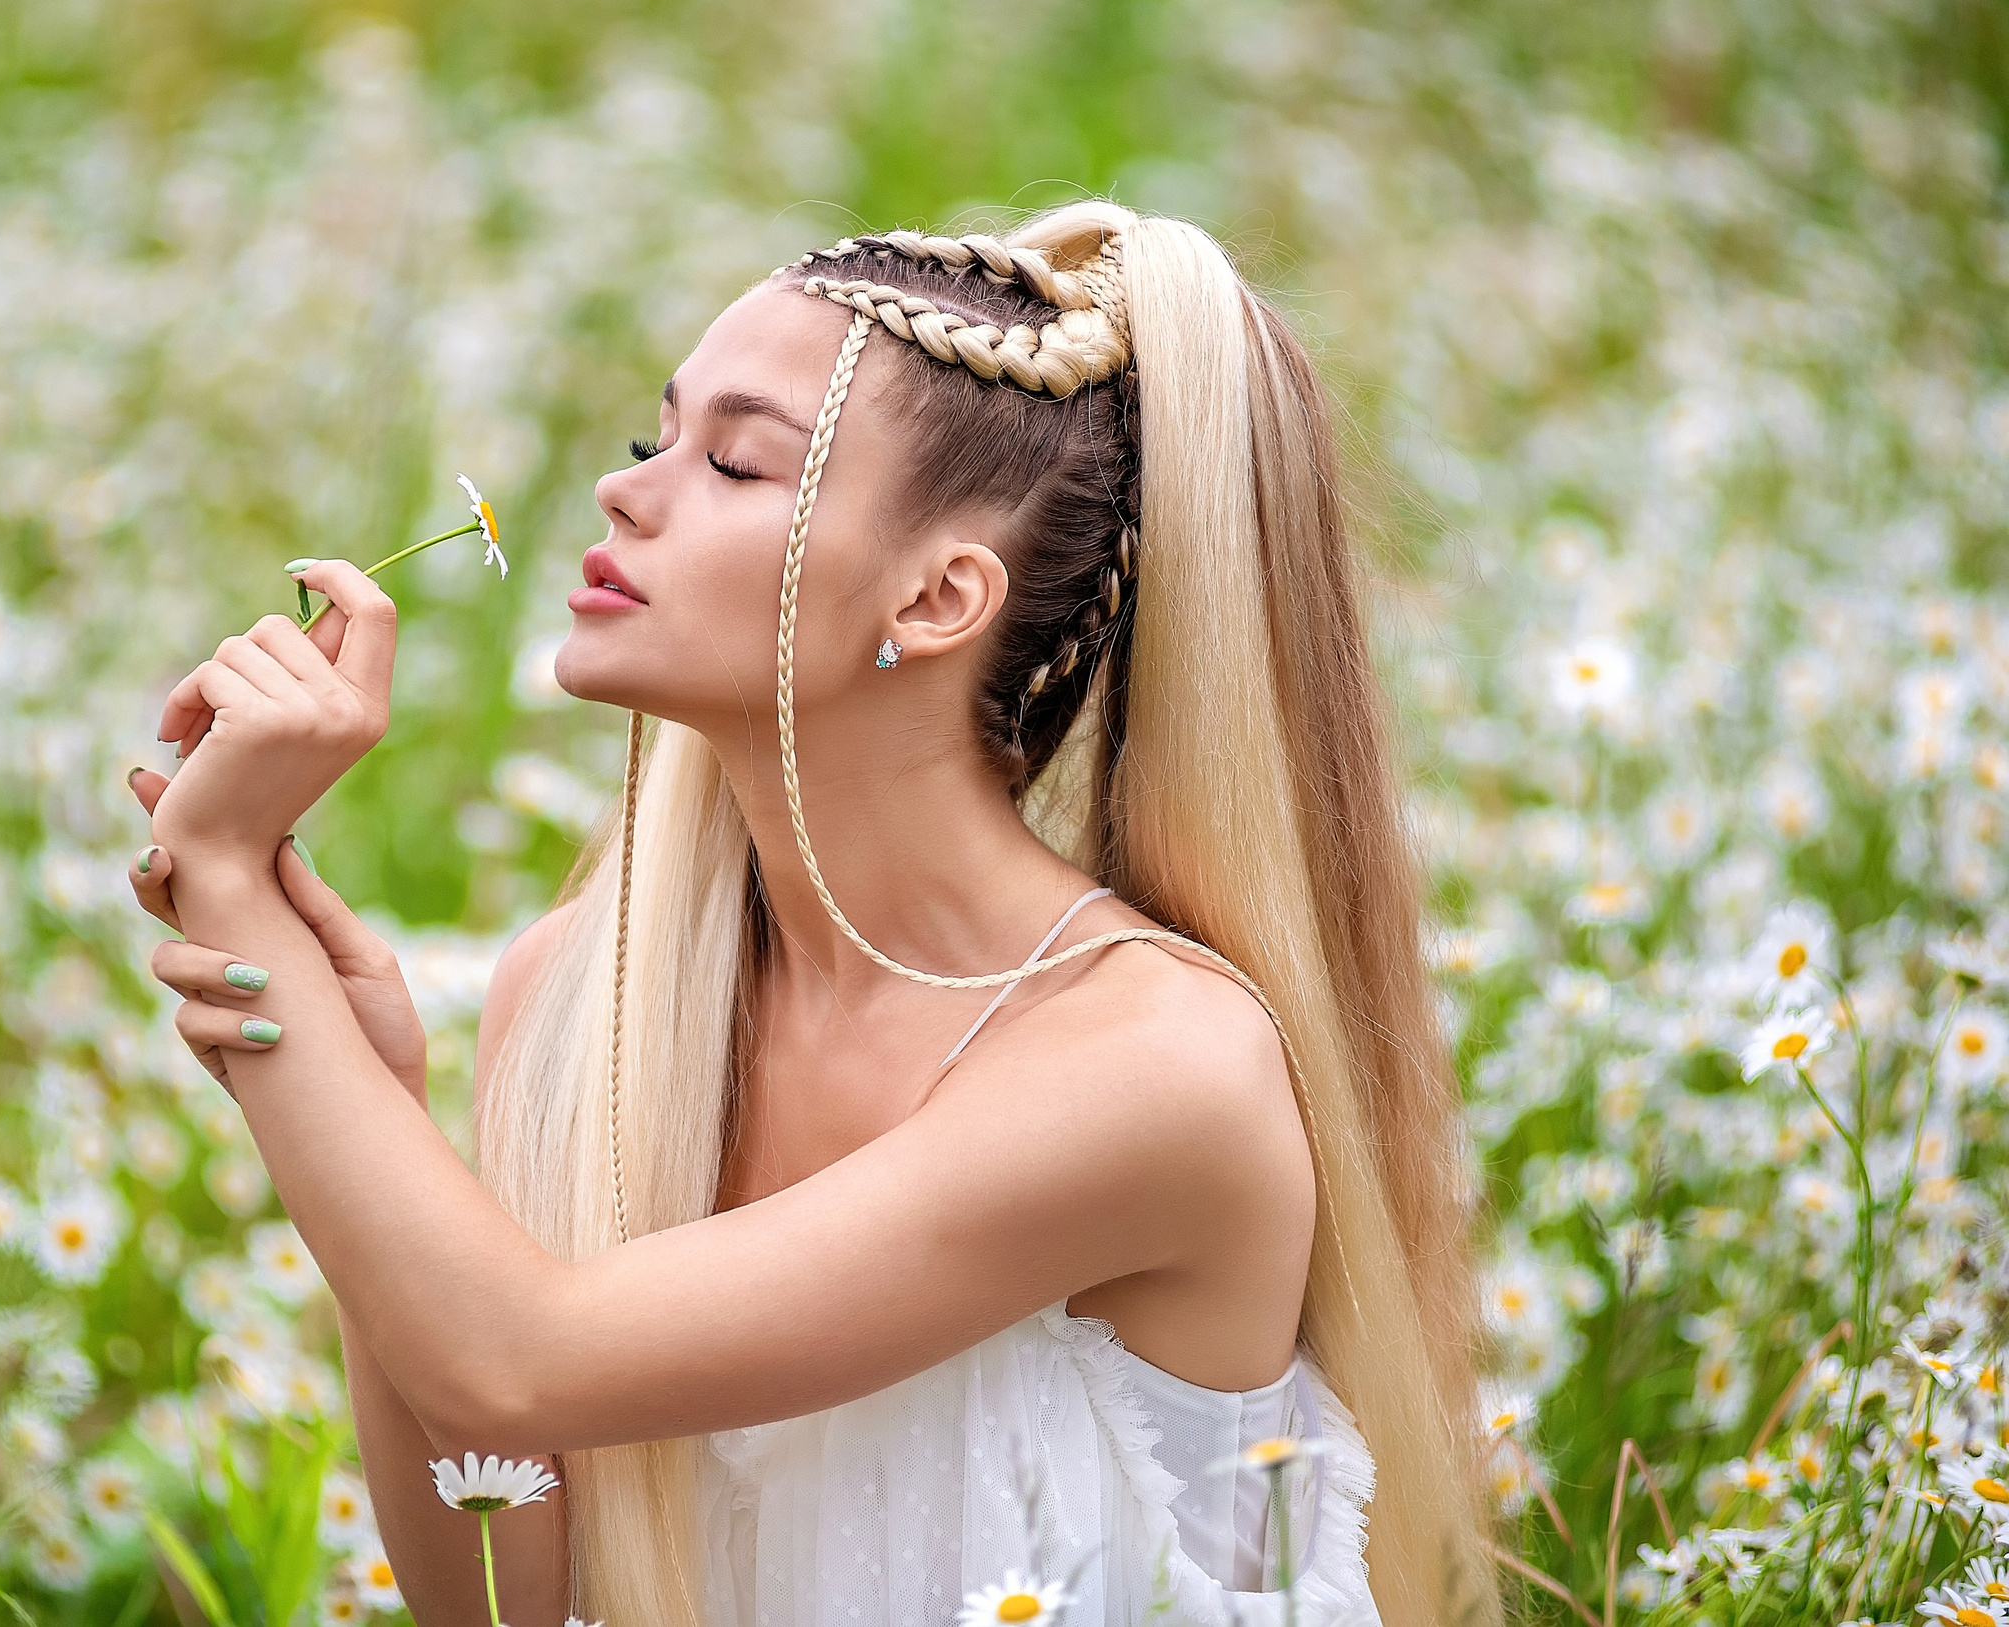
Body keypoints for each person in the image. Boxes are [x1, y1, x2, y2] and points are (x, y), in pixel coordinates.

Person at [122, 202, 1495, 1627]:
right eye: (656, 439)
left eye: (734, 462)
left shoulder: (1154, 1064)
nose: (622, 491)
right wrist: (376, 1103)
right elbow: (501, 1600)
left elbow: (511, 1362)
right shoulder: (589, 1000)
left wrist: (229, 873)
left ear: (940, 596)